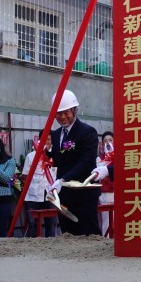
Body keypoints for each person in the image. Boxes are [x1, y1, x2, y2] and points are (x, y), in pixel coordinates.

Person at [45, 89, 100, 236]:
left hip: (83, 193)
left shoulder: (87, 132)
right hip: (64, 196)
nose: (62, 117)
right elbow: (61, 160)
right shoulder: (56, 135)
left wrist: (62, 179)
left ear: (75, 111)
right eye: (58, 113)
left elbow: (85, 163)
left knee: (89, 234)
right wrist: (46, 154)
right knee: (68, 235)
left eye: (66, 112)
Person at [21, 134, 56, 237]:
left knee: (50, 224)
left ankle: (50, 248)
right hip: (34, 195)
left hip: (50, 195)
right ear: (40, 140)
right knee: (32, 224)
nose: (47, 142)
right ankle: (32, 248)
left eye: (49, 140)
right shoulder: (31, 156)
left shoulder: (55, 156)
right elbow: (25, 176)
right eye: (45, 139)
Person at [96, 130, 114, 237]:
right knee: (106, 220)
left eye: (110, 140)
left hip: (117, 193)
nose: (108, 142)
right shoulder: (99, 159)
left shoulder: (120, 156)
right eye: (105, 141)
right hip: (105, 194)